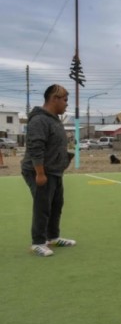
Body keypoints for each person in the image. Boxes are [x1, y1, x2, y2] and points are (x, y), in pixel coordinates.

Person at [21, 84, 76, 257]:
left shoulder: (54, 119)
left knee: (56, 204)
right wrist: (40, 173)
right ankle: (38, 242)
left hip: (54, 170)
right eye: (65, 100)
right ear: (54, 98)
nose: (67, 104)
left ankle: (53, 237)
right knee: (42, 206)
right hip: (39, 170)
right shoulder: (39, 120)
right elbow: (35, 147)